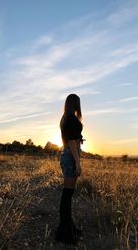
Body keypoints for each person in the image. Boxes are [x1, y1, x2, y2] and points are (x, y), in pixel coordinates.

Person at [55, 93, 84, 245]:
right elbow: (72, 141)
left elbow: (72, 138)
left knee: (68, 194)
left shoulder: (65, 118)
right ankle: (65, 233)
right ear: (76, 104)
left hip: (68, 153)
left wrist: (79, 140)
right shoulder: (72, 118)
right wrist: (78, 163)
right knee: (67, 194)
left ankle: (67, 228)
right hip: (71, 156)